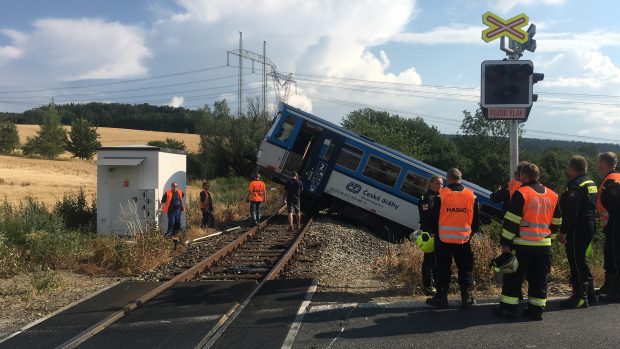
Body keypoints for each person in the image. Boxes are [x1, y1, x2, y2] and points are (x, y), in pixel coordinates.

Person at [494, 163, 562, 321]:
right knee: (539, 279)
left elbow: (512, 221)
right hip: (544, 246)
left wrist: (505, 242)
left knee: (513, 278)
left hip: (522, 244)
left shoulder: (521, 193)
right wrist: (548, 239)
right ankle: (536, 310)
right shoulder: (553, 195)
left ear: (524, 176)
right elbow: (557, 221)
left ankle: (509, 309)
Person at [426, 168, 480, 309]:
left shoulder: (441, 195)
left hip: (443, 240)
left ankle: (441, 298)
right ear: (460, 178)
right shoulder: (471, 196)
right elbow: (476, 222)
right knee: (465, 268)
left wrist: (436, 233)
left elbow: (433, 218)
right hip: (464, 240)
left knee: (443, 268)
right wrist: (468, 234)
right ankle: (467, 298)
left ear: (448, 179)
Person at [558, 155, 598, 308]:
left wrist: (563, 231)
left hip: (577, 228)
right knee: (581, 260)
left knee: (575, 262)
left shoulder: (575, 185)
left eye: (568, 167)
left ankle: (580, 298)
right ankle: (591, 295)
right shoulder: (591, 182)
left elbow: (570, 212)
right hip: (589, 225)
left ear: (573, 169)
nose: (567, 170)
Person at [596, 152, 620, 302]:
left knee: (616, 256)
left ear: (604, 163)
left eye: (598, 161)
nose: (596, 164)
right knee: (610, 255)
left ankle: (616, 291)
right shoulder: (614, 178)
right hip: (612, 225)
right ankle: (610, 286)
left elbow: (616, 206)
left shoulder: (612, 181)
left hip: (615, 225)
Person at [417, 175, 443, 296]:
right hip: (430, 233)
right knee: (429, 260)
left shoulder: (439, 197)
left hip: (439, 233)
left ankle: (436, 284)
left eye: (442, 184)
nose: (440, 186)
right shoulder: (426, 198)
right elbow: (426, 217)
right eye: (438, 183)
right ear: (430, 184)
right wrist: (431, 232)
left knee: (437, 260)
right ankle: (428, 286)